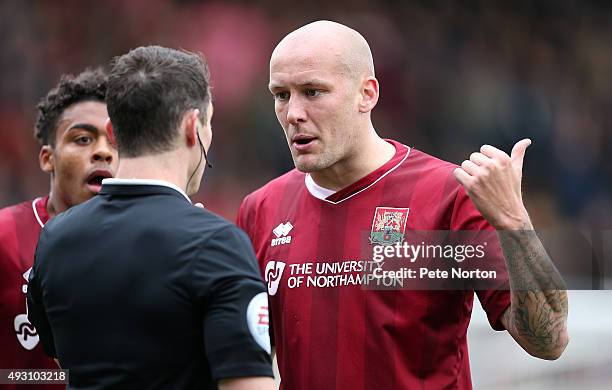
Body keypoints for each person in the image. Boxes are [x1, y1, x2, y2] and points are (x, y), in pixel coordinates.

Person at [237, 20, 568, 389]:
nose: (293, 113)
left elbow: (549, 341)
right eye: (281, 95)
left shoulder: (449, 196)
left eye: (312, 92)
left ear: (367, 94)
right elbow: (245, 363)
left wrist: (514, 224)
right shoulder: (261, 209)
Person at [27, 46, 275, 390]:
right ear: (194, 127)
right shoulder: (217, 244)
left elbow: (61, 362)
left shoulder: (54, 238)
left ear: (113, 133)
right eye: (209, 122)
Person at [0, 68, 117, 389]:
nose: (103, 151)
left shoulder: (148, 244)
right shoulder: (5, 237)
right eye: (83, 139)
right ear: (47, 158)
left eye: (116, 139)